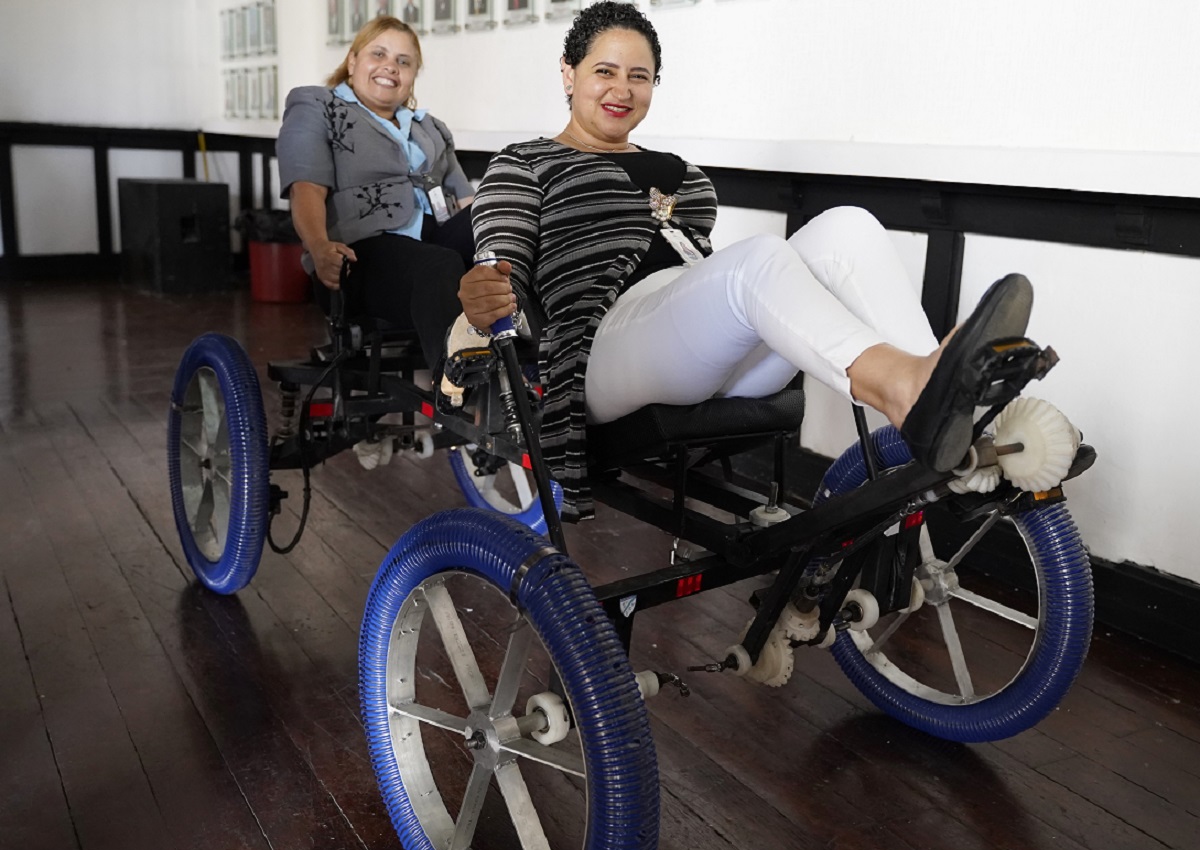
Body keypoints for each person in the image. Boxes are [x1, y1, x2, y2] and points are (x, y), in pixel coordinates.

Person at [457, 1, 1033, 520]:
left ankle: (962, 411)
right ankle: (905, 390)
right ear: (569, 73)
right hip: (599, 351)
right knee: (757, 259)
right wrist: (484, 289)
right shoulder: (526, 164)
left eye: (640, 76)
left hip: (699, 343)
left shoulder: (679, 172)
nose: (622, 89)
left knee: (847, 226)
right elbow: (496, 261)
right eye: (605, 71)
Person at [277, 15, 474, 371]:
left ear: (414, 74)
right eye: (378, 54)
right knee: (440, 265)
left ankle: (540, 361)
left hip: (432, 243)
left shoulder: (431, 128)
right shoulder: (318, 107)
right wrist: (318, 246)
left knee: (500, 217)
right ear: (353, 61)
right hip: (359, 255)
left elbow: (465, 201)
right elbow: (306, 188)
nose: (390, 67)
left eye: (403, 61)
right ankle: (459, 395)